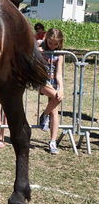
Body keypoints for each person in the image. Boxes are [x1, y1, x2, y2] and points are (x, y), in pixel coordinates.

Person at [38, 27, 65, 155]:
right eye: (50, 43)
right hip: (41, 80)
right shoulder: (40, 47)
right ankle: (44, 116)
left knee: (56, 104)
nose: (53, 46)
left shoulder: (60, 54)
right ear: (46, 39)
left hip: (53, 81)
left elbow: (59, 74)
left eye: (56, 44)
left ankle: (52, 141)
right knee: (55, 97)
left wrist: (61, 88)